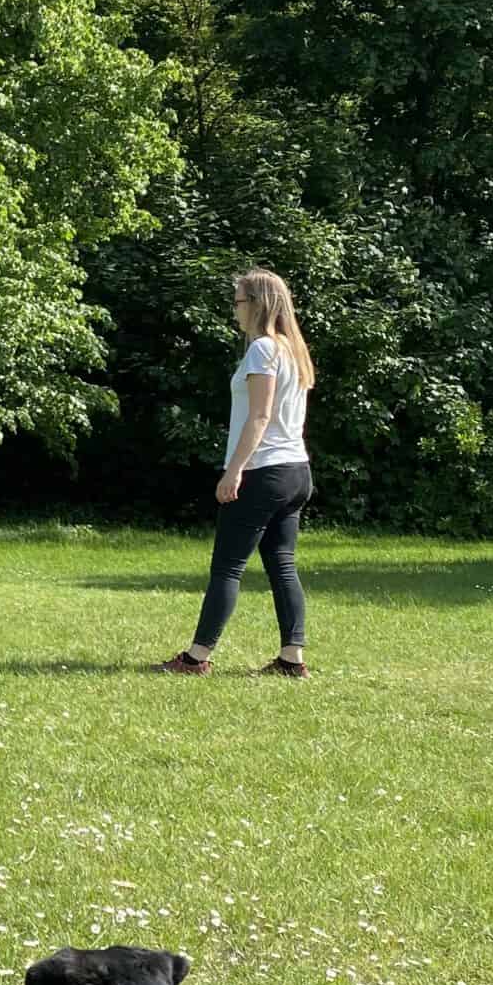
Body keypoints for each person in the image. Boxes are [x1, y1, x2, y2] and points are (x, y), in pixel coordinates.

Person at [157, 268, 314, 678]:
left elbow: (260, 416)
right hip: (297, 470)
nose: (234, 310)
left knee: (227, 567)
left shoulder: (263, 349)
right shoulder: (293, 350)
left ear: (258, 304)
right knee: (282, 564)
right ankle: (291, 659)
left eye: (238, 301)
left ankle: (195, 657)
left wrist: (235, 470)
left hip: (265, 471)